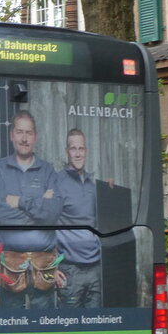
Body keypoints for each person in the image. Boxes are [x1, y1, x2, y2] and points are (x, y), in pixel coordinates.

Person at [0, 110, 63, 309]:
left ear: (35, 137)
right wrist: (40, 204)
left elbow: (53, 214)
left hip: (44, 265)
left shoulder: (48, 171)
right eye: (20, 132)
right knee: (10, 328)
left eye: (28, 133)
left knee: (45, 328)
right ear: (12, 135)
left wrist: (19, 202)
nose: (24, 138)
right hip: (10, 265)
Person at [55, 129, 108, 308]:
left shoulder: (94, 185)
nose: (77, 153)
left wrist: (111, 192)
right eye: (73, 149)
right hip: (70, 270)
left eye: (81, 148)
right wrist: (51, 266)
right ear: (66, 152)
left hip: (95, 268)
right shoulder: (56, 183)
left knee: (96, 326)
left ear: (86, 151)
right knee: (70, 329)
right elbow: (43, 226)